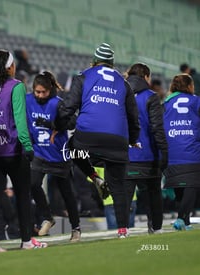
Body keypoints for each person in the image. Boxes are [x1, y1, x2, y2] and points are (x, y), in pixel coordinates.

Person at [54, 43, 140, 238]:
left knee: (72, 150)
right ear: (112, 63)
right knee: (118, 185)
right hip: (117, 141)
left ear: (94, 62)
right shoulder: (124, 83)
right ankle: (123, 230)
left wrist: (58, 125)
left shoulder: (83, 76)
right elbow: (133, 117)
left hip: (88, 139)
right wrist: (132, 139)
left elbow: (68, 107)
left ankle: (93, 176)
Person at [0, 49, 47, 252]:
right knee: (23, 195)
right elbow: (19, 118)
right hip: (12, 149)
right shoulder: (16, 86)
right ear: (9, 66)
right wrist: (27, 145)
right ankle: (26, 240)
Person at [26, 71, 81, 241]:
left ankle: (76, 228)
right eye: (38, 92)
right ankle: (47, 217)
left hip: (58, 154)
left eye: (44, 92)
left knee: (66, 193)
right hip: (39, 152)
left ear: (50, 90)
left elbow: (73, 121)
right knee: (33, 184)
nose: (40, 95)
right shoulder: (27, 100)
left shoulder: (58, 103)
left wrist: (52, 124)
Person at [124, 63, 168, 234]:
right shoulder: (151, 96)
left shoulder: (120, 95)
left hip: (126, 156)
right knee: (153, 195)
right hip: (148, 156)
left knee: (125, 197)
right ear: (147, 77)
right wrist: (164, 153)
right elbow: (157, 128)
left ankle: (122, 231)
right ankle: (156, 228)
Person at [163, 73, 200, 230]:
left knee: (179, 186)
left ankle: (186, 222)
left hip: (171, 153)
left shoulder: (165, 104)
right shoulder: (196, 101)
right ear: (190, 86)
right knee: (192, 185)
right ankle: (180, 219)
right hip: (191, 152)